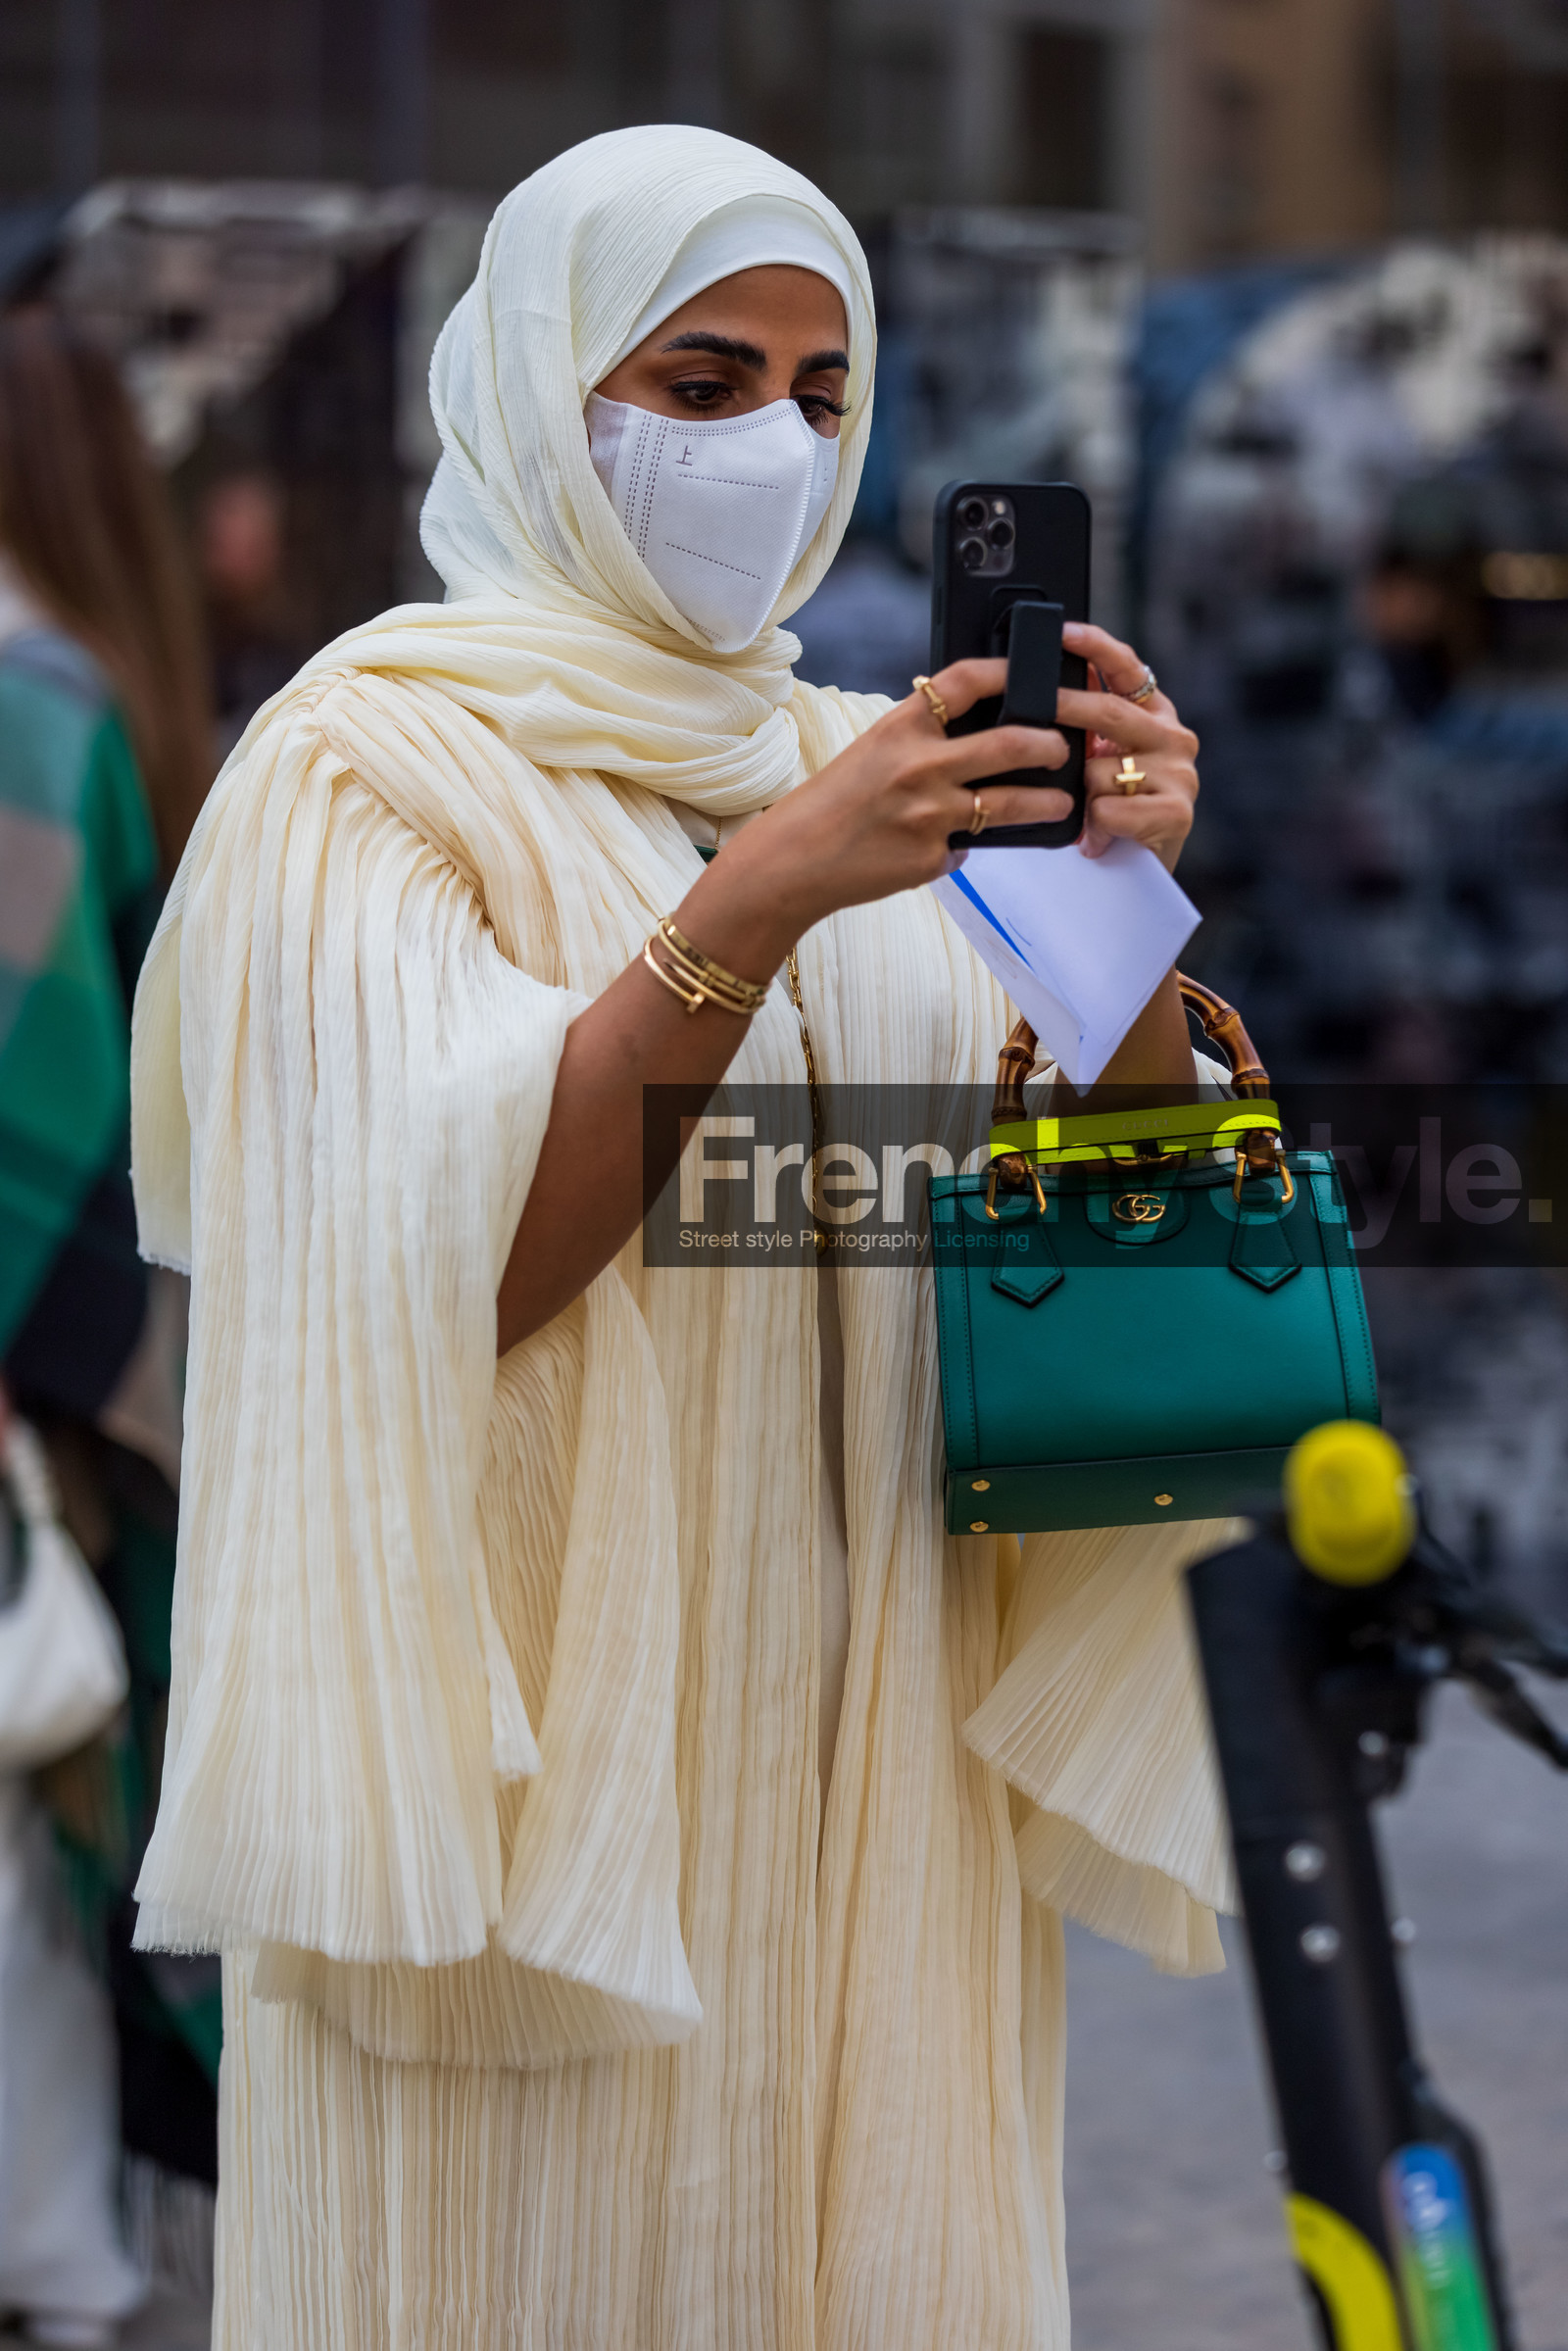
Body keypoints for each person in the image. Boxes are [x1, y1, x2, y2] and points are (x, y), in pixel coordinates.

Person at [130, 125, 1231, 2350]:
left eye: (818, 400)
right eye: (701, 379)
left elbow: (1146, 1305)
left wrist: (1112, 917)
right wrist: (742, 910)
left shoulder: (876, 769)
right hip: (543, 1876)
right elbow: (416, 1283)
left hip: (878, 1844)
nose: (770, 447)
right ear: (544, 383)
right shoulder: (366, 767)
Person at [0, 306, 219, 2341]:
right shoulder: (105, 691)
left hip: (43, 1382)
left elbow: (20, 1089)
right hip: (104, 1358)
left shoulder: (15, 701)